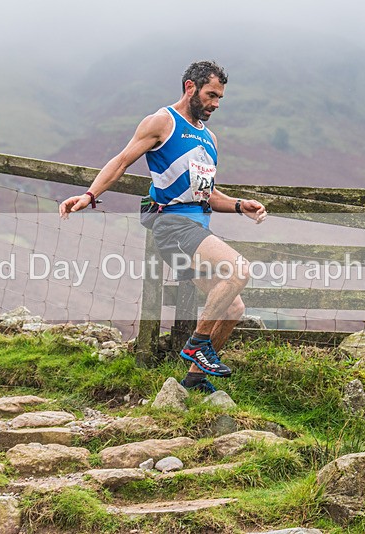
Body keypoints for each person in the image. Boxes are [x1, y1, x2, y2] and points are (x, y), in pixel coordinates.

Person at [60, 60, 267, 393]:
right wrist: (89, 195)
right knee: (238, 270)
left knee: (234, 307)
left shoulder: (209, 138)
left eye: (220, 99)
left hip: (196, 227)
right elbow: (122, 161)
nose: (215, 104)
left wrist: (241, 206)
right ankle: (198, 344)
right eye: (211, 95)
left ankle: (193, 381)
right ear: (190, 87)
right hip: (172, 224)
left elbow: (208, 194)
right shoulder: (162, 123)